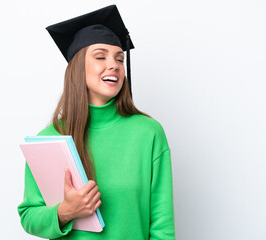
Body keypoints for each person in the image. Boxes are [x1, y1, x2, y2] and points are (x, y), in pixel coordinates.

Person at [18, 5, 176, 240]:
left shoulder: (148, 133)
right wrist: (65, 212)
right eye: (100, 56)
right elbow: (29, 216)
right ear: (77, 67)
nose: (114, 65)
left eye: (120, 59)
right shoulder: (49, 139)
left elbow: (162, 228)